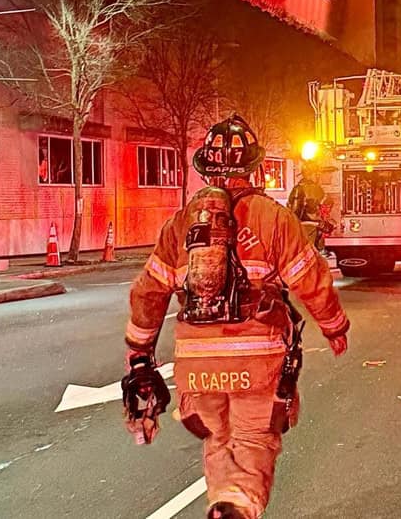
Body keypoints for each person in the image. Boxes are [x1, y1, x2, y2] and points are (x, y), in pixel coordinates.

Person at [122, 114, 349, 519]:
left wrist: (139, 354)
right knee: (253, 440)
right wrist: (334, 327)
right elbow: (310, 278)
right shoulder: (272, 217)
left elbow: (148, 292)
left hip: (197, 365)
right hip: (256, 361)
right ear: (253, 167)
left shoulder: (180, 225)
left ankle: (223, 503)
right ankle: (236, 509)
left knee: (217, 440)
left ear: (205, 168)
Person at [287, 162, 332, 253]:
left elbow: (293, 210)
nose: (317, 176)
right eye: (316, 173)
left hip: (308, 227)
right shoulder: (313, 189)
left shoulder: (299, 189)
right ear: (310, 174)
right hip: (309, 227)